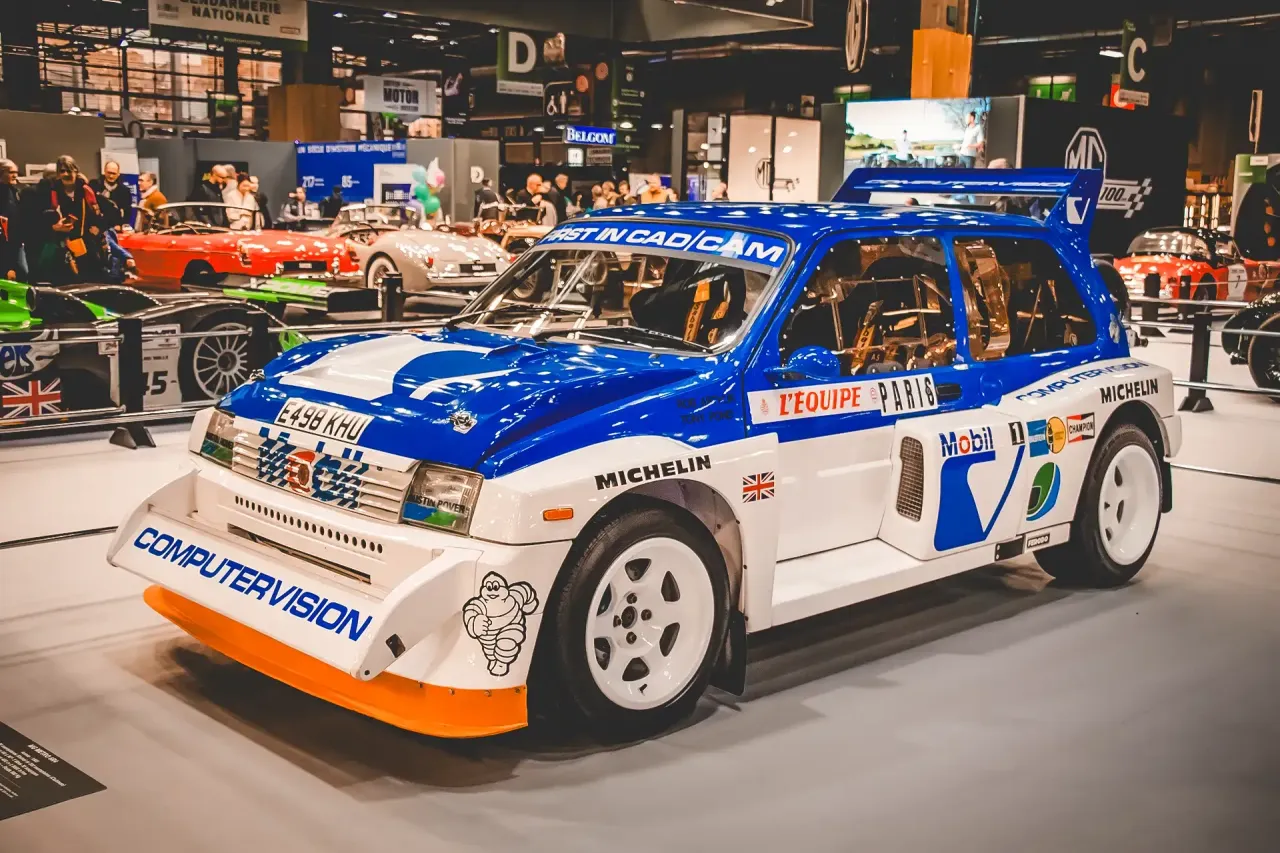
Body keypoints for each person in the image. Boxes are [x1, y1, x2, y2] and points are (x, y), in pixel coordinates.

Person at [38, 155, 110, 284]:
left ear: (76, 171)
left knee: (91, 280)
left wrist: (98, 228)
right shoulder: (50, 192)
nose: (66, 174)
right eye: (62, 171)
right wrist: (54, 227)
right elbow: (39, 219)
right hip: (60, 244)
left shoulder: (87, 191)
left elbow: (105, 214)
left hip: (86, 244)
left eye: (69, 170)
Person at [0, 159, 28, 280]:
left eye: (16, 172)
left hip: (15, 241)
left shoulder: (14, 191)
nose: (15, 175)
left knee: (22, 272)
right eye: (11, 172)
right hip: (4, 241)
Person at [90, 160, 134, 230]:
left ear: (118, 174)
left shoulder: (124, 191)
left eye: (114, 173)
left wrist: (121, 226)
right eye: (109, 173)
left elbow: (127, 212)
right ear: (104, 171)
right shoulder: (94, 186)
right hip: (96, 227)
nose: (111, 176)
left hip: (116, 228)